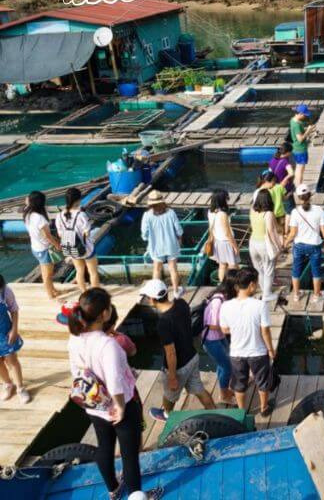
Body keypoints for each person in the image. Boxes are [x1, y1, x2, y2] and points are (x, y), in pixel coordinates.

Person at [67, 288, 160, 499]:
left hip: (95, 404)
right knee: (129, 454)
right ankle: (137, 495)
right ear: (104, 314)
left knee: (105, 446)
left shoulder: (74, 340)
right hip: (121, 406)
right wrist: (119, 406)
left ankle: (113, 489)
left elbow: (77, 372)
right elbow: (114, 379)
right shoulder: (108, 344)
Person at [141, 279, 215, 422]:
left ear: (151, 299)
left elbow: (171, 352)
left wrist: (172, 377)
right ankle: (212, 409)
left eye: (146, 296)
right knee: (198, 388)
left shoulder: (163, 322)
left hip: (179, 366)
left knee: (170, 395)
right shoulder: (181, 303)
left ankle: (166, 414)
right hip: (192, 356)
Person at [219, 268, 276, 417]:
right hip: (258, 351)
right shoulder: (260, 305)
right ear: (251, 285)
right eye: (256, 283)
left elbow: (224, 329)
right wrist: (270, 349)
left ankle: (242, 411)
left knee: (239, 384)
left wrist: (238, 329)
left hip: (237, 352)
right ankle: (264, 408)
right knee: (262, 381)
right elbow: (265, 331)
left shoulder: (226, 306)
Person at [283, 184, 324, 304]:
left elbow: (293, 233)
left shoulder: (295, 212)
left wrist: (285, 242)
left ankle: (296, 294)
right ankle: (316, 295)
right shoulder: (319, 210)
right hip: (314, 245)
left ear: (299, 198)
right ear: (310, 195)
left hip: (299, 246)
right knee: (316, 271)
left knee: (296, 270)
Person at [140, 190, 185, 299]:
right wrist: (179, 238)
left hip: (156, 247)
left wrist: (146, 238)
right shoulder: (171, 213)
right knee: (173, 269)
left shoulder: (147, 215)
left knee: (157, 270)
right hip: (172, 245)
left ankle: (156, 293)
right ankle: (176, 291)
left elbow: (144, 233)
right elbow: (179, 230)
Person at [202, 272, 237, 405]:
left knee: (223, 365)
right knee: (227, 367)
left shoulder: (224, 297)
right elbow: (212, 325)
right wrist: (232, 328)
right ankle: (223, 395)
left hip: (219, 337)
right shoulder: (218, 300)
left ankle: (224, 389)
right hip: (211, 340)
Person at [56, 187, 100, 293]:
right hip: (86, 248)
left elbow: (60, 234)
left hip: (71, 248)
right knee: (93, 272)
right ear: (78, 200)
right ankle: (96, 294)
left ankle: (84, 292)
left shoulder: (59, 215)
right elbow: (87, 232)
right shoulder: (81, 215)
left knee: (79, 270)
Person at [23, 191, 61, 302]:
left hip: (36, 247)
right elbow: (47, 236)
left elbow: (27, 201)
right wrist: (57, 245)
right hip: (44, 249)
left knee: (47, 272)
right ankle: (51, 296)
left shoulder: (27, 212)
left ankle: (53, 289)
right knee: (47, 274)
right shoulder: (40, 218)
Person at [249, 190, 283, 302]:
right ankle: (267, 295)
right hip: (263, 244)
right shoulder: (268, 213)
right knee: (269, 270)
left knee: (259, 269)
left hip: (252, 243)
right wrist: (279, 246)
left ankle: (265, 291)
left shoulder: (252, 210)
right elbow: (271, 232)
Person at [0, 275, 30, 404]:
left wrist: (14, 329)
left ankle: (20, 387)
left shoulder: (5, 291)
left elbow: (14, 310)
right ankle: (7, 384)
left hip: (5, 332)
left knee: (12, 360)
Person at [208, 189, 239, 283]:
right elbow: (227, 233)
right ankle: (234, 285)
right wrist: (235, 246)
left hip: (218, 242)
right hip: (226, 243)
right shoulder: (223, 214)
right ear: (222, 200)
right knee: (233, 266)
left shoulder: (210, 212)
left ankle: (221, 284)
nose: (227, 200)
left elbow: (211, 228)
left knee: (222, 266)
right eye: (226, 198)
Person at [253, 168, 289, 235]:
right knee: (276, 233)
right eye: (274, 181)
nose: (275, 184)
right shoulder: (260, 192)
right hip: (266, 219)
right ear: (267, 181)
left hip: (269, 218)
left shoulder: (263, 191)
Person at [290, 104, 316, 185]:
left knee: (298, 168)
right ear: (300, 113)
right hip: (301, 149)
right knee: (301, 170)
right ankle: (299, 186)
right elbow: (300, 139)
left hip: (296, 148)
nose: (305, 117)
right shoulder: (297, 125)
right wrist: (308, 131)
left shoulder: (293, 120)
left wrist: (307, 131)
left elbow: (298, 134)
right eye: (304, 115)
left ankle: (296, 185)